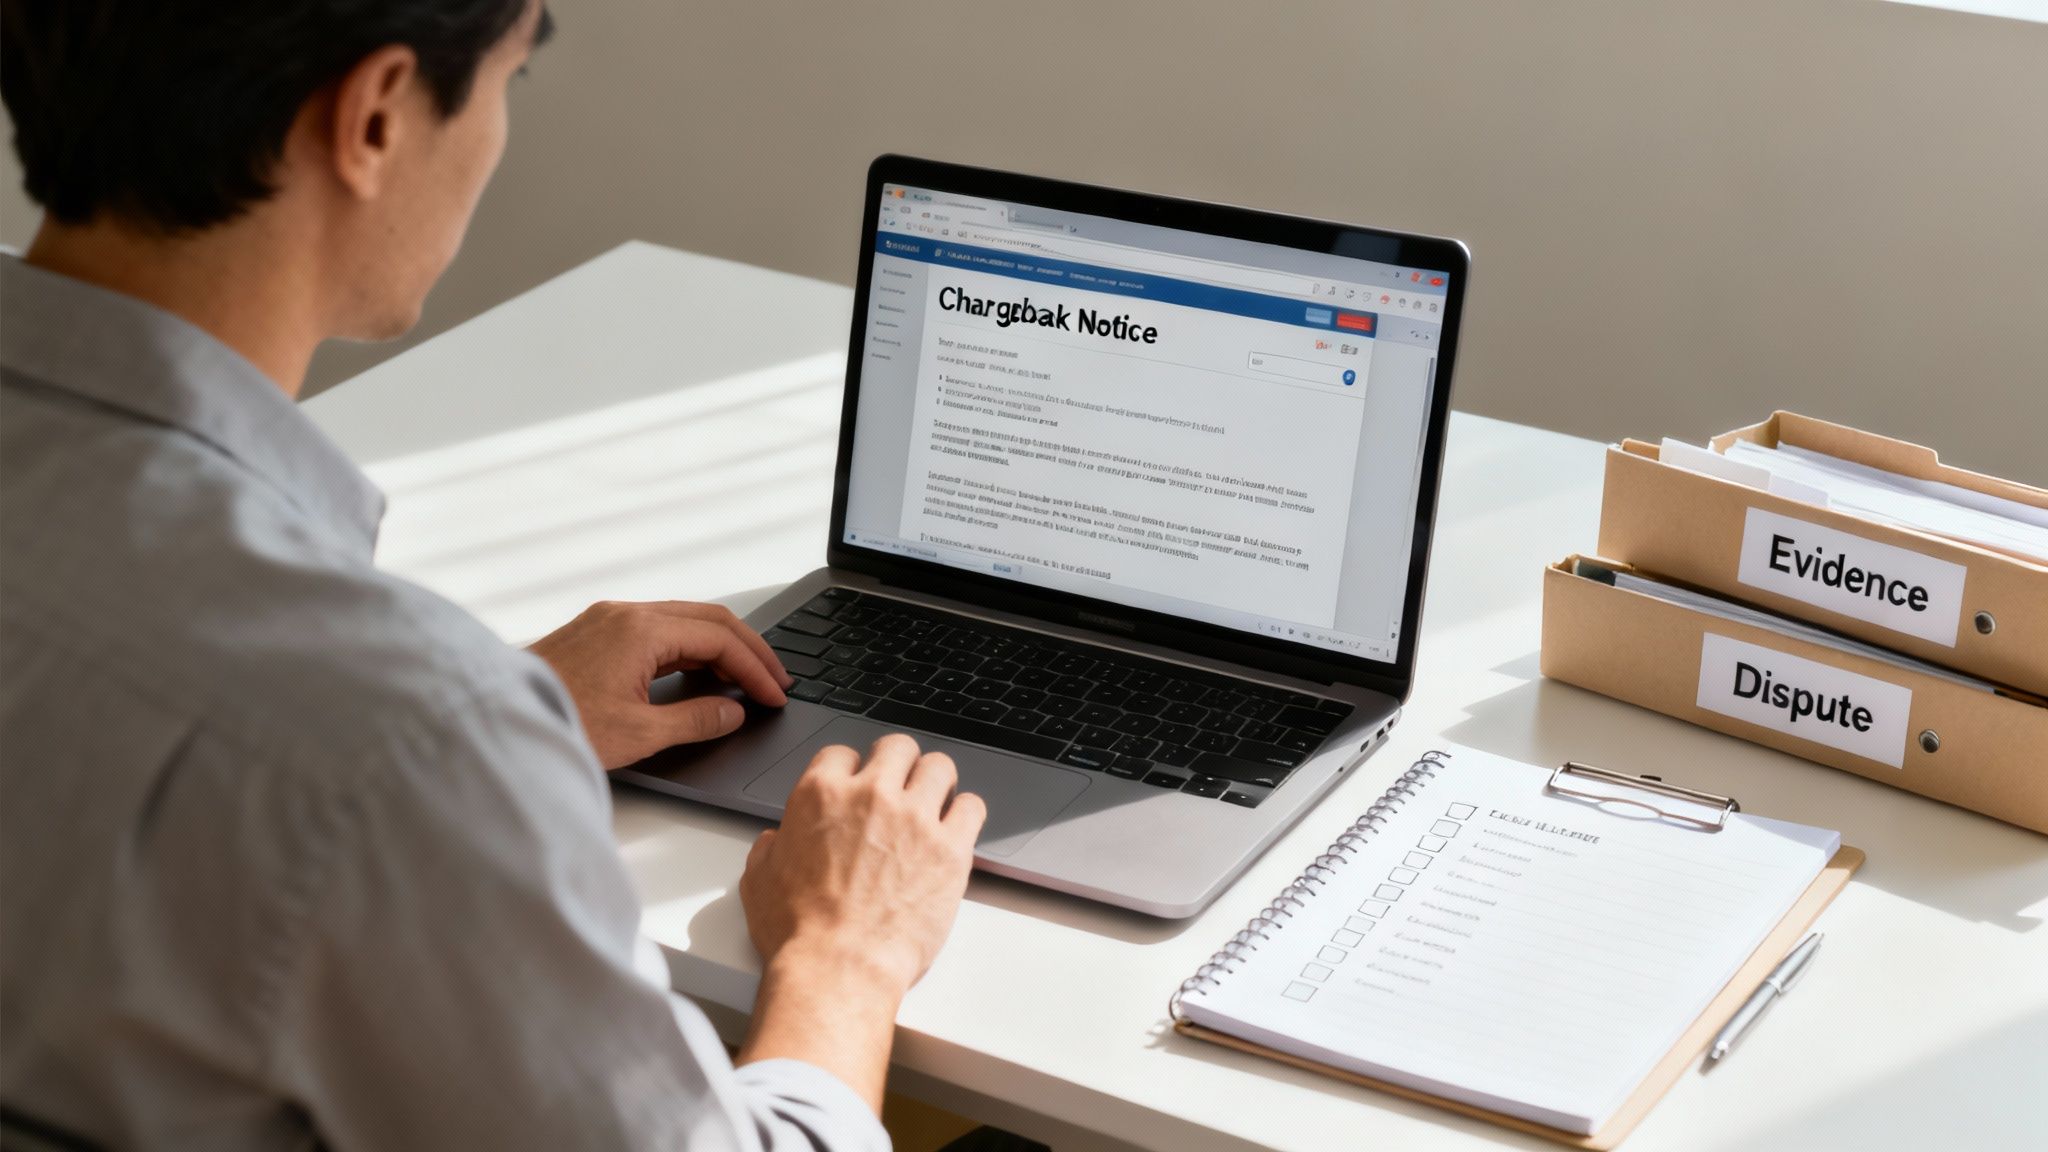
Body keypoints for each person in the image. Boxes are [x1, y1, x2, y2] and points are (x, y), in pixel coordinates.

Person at [0, 2, 987, 1149]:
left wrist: (478, 733)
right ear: (372, 118)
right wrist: (845, 953)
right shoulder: (397, 741)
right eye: (509, 80)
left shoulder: (377, 738)